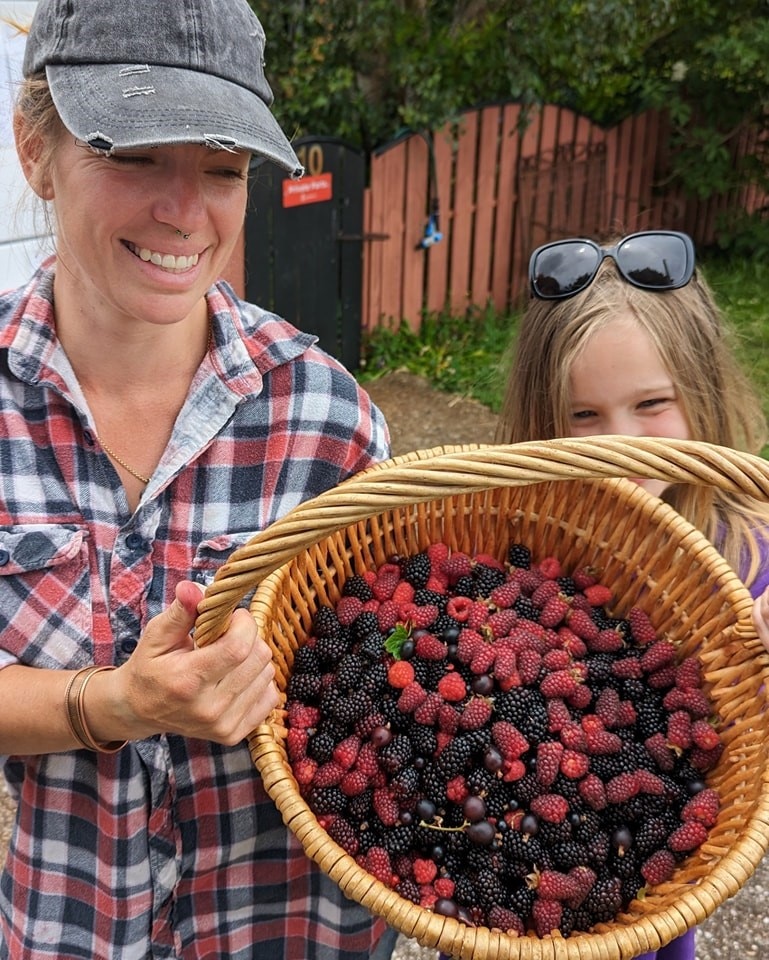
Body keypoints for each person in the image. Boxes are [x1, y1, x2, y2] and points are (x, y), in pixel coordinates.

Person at [0, 1, 398, 958]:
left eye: (223, 169)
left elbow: (424, 667)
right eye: (133, 156)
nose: (185, 211)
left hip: (295, 932)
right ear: (34, 150)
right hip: (75, 928)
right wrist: (114, 705)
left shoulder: (325, 421)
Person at [493, 229, 769, 960]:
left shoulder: (749, 562)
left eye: (652, 404)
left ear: (703, 395)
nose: (621, 445)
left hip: (648, 914)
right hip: (507, 902)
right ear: (539, 424)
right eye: (584, 416)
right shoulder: (513, 543)